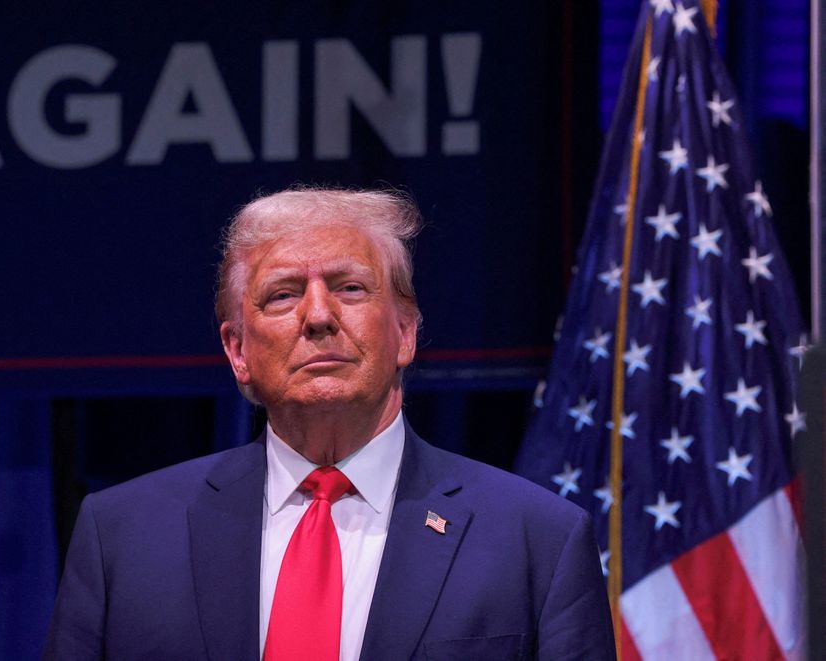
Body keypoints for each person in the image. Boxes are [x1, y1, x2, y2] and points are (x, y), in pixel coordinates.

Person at [43, 187, 616, 660]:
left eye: (349, 288)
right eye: (283, 295)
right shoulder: (122, 536)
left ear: (405, 333)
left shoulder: (537, 539)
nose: (319, 317)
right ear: (237, 349)